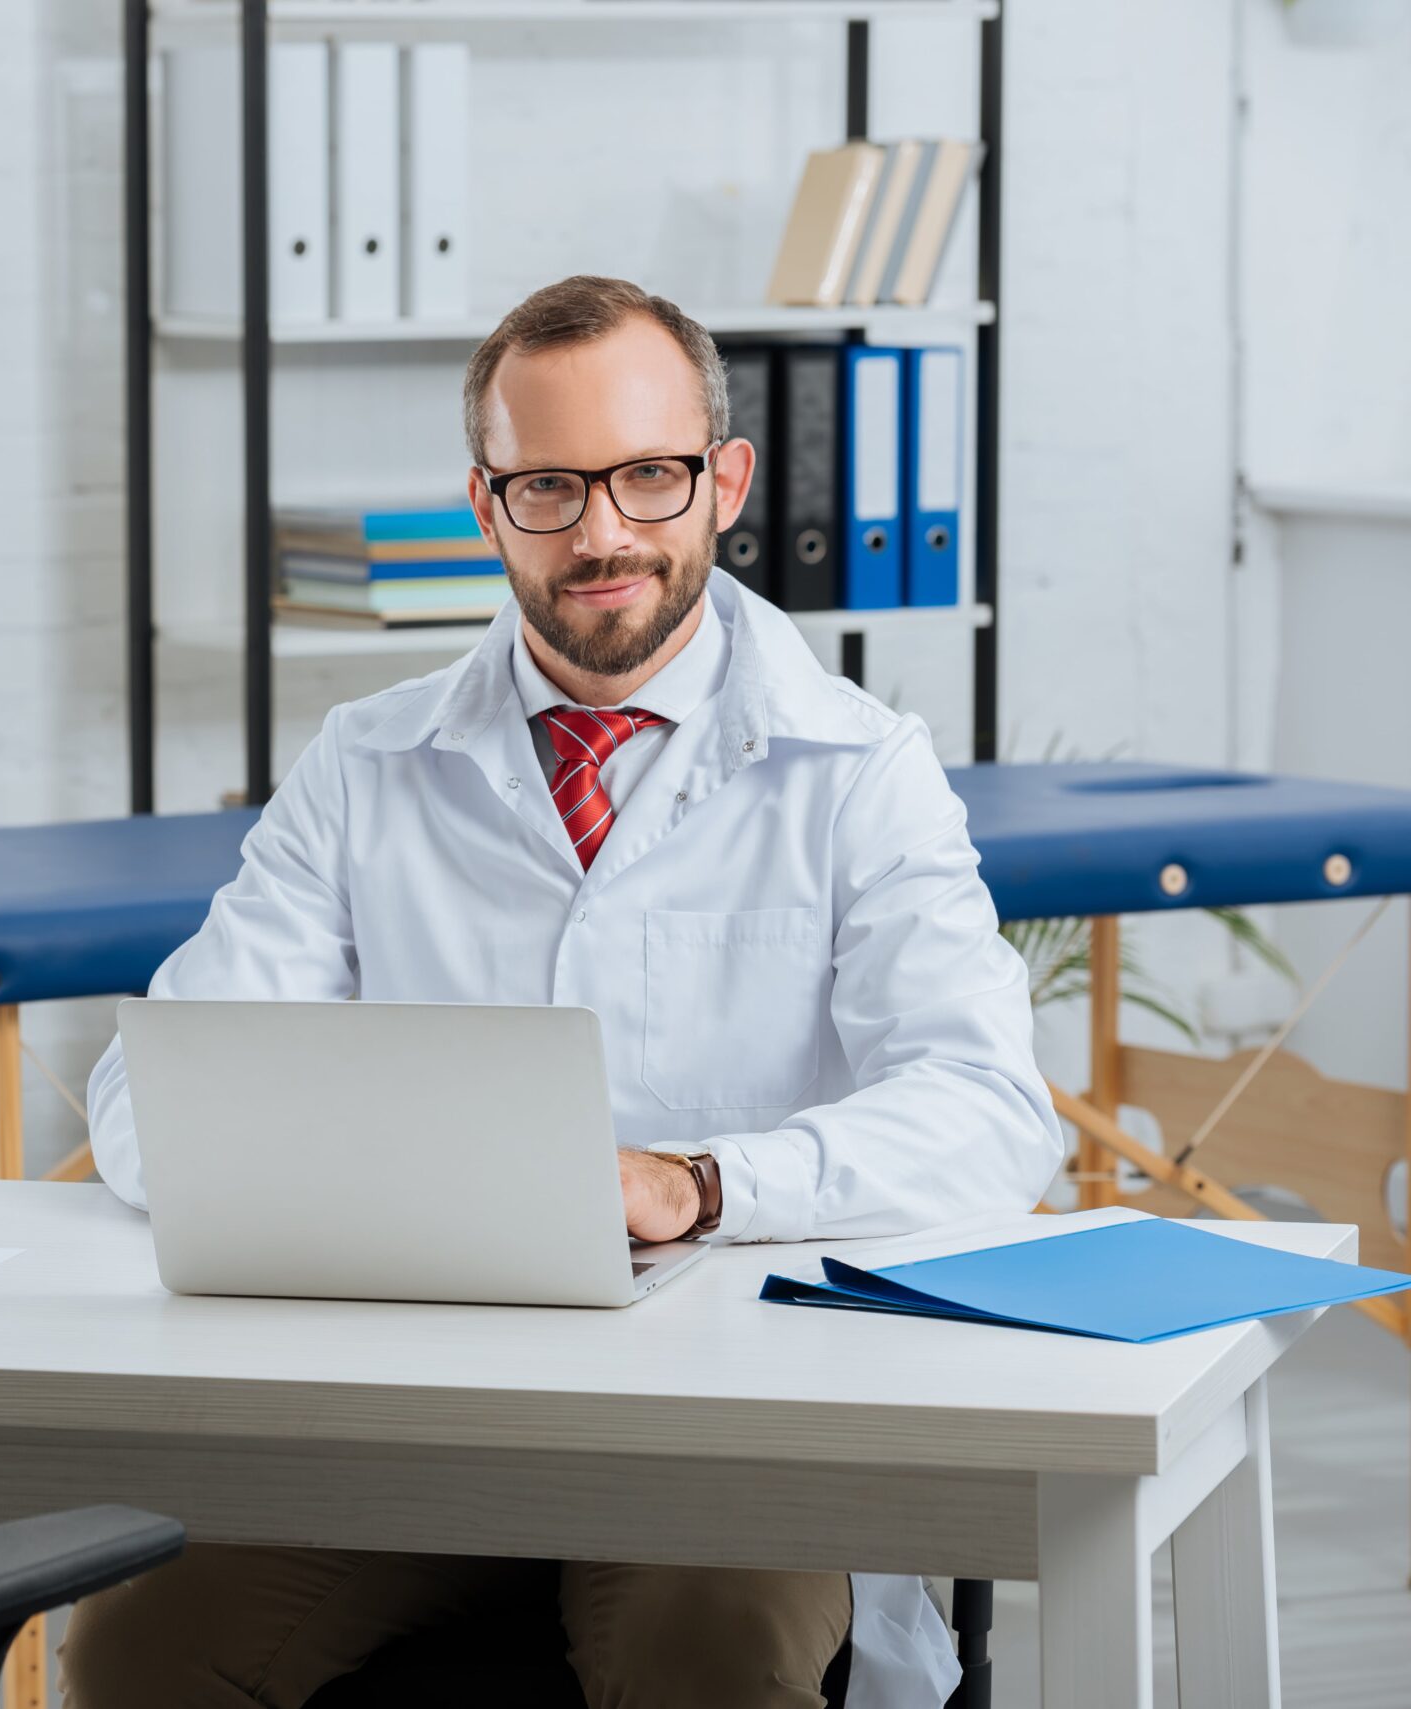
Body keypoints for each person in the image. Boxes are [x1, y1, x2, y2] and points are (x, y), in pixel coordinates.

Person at [63, 276, 1063, 1709]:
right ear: (486, 504)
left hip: (731, 1429)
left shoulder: (861, 769)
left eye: (649, 476)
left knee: (702, 1642)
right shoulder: (368, 764)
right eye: (548, 486)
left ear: (723, 483)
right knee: (141, 1642)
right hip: (417, 1427)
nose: (602, 531)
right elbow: (150, 1095)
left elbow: (988, 1110)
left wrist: (702, 1185)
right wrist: (378, 1190)